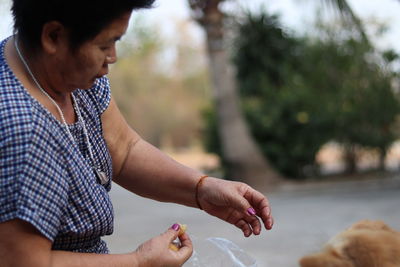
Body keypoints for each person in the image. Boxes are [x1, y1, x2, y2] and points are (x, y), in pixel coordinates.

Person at [0, 0, 274, 266]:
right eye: (104, 45)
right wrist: (139, 262)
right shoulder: (21, 128)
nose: (113, 58)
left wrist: (201, 188)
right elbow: (21, 261)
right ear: (53, 36)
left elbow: (123, 148)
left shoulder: (68, 75)